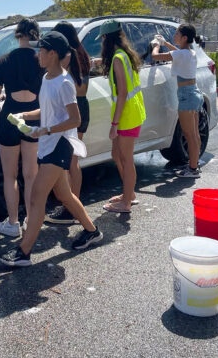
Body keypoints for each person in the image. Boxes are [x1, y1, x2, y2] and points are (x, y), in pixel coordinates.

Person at [0, 31, 103, 267]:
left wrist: (46, 131)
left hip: (60, 145)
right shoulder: (47, 78)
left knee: (36, 199)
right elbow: (48, 111)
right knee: (64, 195)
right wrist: (24, 115)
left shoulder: (64, 83)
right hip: (49, 144)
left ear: (52, 53)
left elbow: (75, 120)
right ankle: (92, 231)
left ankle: (23, 252)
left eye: (41, 51)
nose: (37, 56)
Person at [0, 18, 43, 237]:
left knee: (10, 175)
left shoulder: (4, 60)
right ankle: (31, 220)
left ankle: (13, 223)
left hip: (10, 116)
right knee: (31, 173)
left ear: (17, 35)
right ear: (36, 35)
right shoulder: (41, 60)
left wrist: (3, 95)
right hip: (33, 117)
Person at [45, 21, 91, 224]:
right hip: (80, 107)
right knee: (72, 160)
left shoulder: (70, 55)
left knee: (71, 160)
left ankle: (72, 207)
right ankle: (71, 203)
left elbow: (79, 87)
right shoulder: (81, 53)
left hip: (73, 109)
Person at [98, 20, 146, 214]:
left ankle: (126, 202)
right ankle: (129, 194)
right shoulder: (123, 55)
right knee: (116, 155)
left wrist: (114, 124)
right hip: (129, 112)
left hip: (127, 115)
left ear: (106, 38)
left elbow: (123, 93)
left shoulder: (118, 59)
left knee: (126, 159)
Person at [151, 24, 203, 178]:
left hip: (186, 96)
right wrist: (165, 43)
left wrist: (155, 45)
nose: (174, 36)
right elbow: (177, 52)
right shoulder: (189, 52)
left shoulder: (182, 54)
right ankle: (195, 164)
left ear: (184, 37)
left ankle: (192, 170)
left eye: (177, 34)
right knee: (194, 134)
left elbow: (155, 57)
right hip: (193, 93)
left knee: (189, 134)